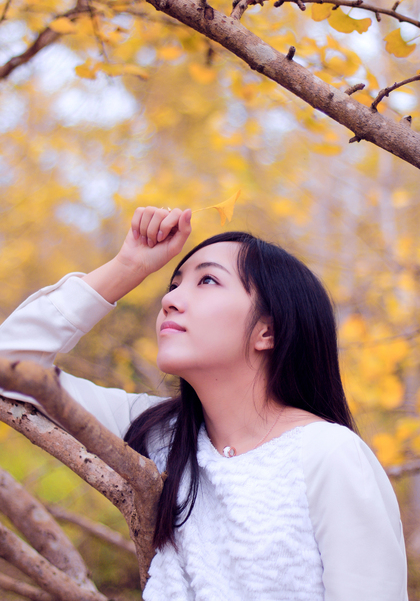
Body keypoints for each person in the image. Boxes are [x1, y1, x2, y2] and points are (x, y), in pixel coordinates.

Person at [0, 206, 408, 601]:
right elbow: (9, 363)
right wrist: (129, 266)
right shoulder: (158, 434)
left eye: (207, 280)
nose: (171, 300)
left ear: (267, 331)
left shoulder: (328, 456)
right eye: (173, 285)